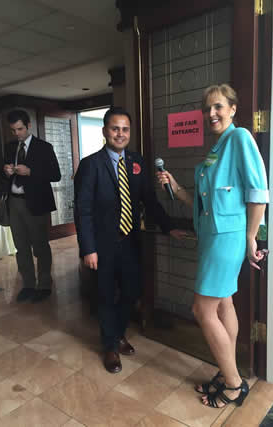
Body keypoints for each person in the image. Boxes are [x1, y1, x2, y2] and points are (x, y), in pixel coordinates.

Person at [157, 84, 269, 408]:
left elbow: (258, 192)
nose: (211, 114)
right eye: (207, 109)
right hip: (212, 236)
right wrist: (176, 189)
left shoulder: (239, 138)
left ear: (233, 108)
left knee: (201, 309)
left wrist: (251, 238)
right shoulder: (217, 149)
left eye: (218, 107)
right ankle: (228, 369)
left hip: (227, 237)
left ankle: (234, 385)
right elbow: (204, 203)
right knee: (223, 305)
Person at [74, 107, 185, 374]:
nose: (120, 134)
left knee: (132, 291)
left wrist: (168, 226)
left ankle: (118, 333)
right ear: (104, 132)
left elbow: (149, 199)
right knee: (104, 296)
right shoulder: (91, 165)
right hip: (101, 245)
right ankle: (110, 345)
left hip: (130, 241)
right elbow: (83, 210)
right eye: (115, 128)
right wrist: (88, 249)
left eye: (125, 129)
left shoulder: (136, 161)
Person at [3, 110, 61, 303]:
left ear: (28, 125)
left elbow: (55, 175)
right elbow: (1, 172)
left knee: (40, 246)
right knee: (21, 247)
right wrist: (6, 171)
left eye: (19, 128)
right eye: (13, 130)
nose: (17, 133)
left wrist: (31, 172)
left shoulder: (44, 147)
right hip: (14, 202)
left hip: (36, 203)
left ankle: (44, 285)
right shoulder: (10, 147)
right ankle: (28, 285)